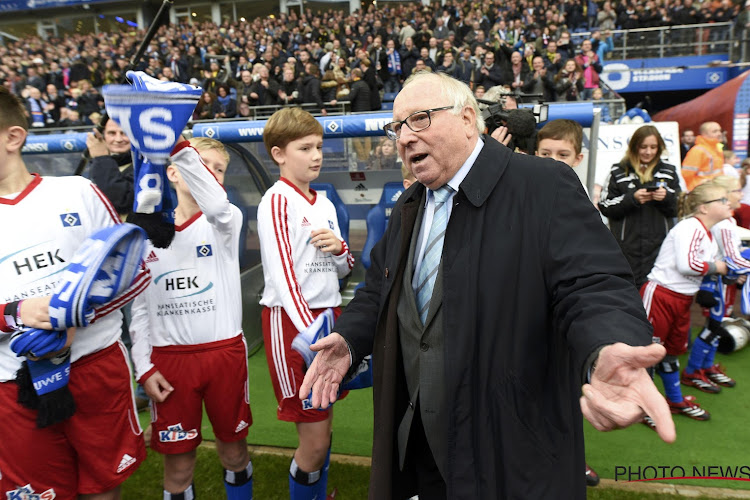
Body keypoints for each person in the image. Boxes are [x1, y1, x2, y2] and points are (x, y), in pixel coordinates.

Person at [299, 72, 674, 499]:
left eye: (419, 119)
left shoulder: (543, 184)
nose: (404, 138)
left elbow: (592, 285)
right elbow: (380, 290)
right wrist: (349, 340)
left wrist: (608, 344)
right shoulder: (410, 203)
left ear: (467, 118)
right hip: (418, 443)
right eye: (397, 126)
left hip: (509, 453)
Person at [0, 86, 150, 499]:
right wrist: (15, 313)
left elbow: (134, 277)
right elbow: (15, 313)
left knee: (104, 490)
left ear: (13, 137)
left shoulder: (77, 192)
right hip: (14, 383)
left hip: (95, 366)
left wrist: (73, 313)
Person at [129, 137, 253, 500]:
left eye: (219, 170)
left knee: (234, 454)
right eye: (203, 166)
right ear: (172, 173)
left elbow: (215, 203)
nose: (211, 175)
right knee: (179, 467)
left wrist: (177, 142)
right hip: (170, 363)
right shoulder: (145, 235)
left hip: (223, 355)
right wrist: (144, 367)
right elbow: (138, 308)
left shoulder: (225, 221)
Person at [257, 107, 355, 500]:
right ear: (279, 154)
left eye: (319, 146)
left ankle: (319, 494)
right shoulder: (277, 201)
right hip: (292, 325)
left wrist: (340, 249)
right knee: (313, 441)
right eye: (305, 147)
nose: (316, 155)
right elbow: (283, 280)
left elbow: (345, 270)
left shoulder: (326, 203)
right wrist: (316, 336)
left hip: (327, 316)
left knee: (324, 427)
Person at [532, 118, 599, 487]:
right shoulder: (521, 196)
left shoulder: (585, 203)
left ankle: (573, 459)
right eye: (546, 153)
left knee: (569, 396)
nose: (554, 161)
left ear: (579, 157)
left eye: (563, 154)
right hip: (529, 323)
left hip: (566, 324)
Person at [640, 181, 732, 425]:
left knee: (671, 352)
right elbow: (687, 265)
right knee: (648, 354)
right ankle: (644, 406)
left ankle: (674, 399)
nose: (728, 203)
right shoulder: (689, 227)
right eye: (722, 200)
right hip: (661, 295)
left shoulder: (708, 232)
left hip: (681, 299)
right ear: (703, 207)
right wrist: (721, 268)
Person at [598, 125, 681, 289]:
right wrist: (632, 199)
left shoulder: (669, 171)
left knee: (654, 297)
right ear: (634, 146)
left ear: (659, 148)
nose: (648, 152)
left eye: (653, 147)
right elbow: (605, 205)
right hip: (626, 248)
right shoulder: (618, 171)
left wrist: (666, 198)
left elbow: (680, 207)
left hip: (659, 248)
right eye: (643, 147)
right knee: (626, 292)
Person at [87, 118, 134, 218]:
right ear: (103, 136)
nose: (118, 139)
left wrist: (102, 159)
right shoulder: (99, 164)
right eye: (112, 133)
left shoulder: (147, 164)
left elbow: (121, 201)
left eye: (124, 133)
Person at [682, 121, 724, 192]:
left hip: (714, 189)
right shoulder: (697, 151)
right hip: (702, 191)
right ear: (704, 134)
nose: (719, 133)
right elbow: (686, 175)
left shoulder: (716, 148)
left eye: (720, 130)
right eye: (715, 131)